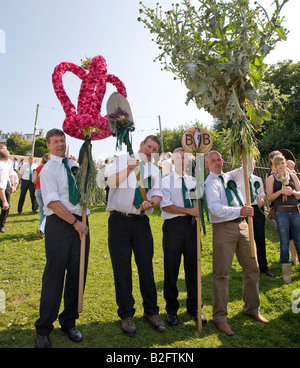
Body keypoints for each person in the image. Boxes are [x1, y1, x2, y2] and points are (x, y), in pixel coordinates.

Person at [34, 129, 89, 348]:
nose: (60, 144)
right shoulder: (48, 170)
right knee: (54, 275)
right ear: (48, 145)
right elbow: (53, 203)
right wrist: (74, 223)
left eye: (62, 140)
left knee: (77, 274)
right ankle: (44, 328)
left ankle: (69, 322)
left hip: (81, 223)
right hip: (61, 224)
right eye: (55, 141)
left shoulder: (75, 165)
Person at [204, 151, 269, 336]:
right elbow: (214, 209)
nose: (217, 163)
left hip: (243, 226)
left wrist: (244, 141)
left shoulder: (231, 176)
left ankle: (251, 308)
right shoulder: (210, 183)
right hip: (224, 228)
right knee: (222, 273)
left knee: (252, 268)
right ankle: (220, 317)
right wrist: (238, 210)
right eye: (213, 161)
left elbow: (246, 165)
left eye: (219, 159)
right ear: (207, 165)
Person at [106, 135, 165, 336]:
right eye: (149, 146)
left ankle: (151, 311)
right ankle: (126, 314)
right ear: (141, 145)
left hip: (141, 222)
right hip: (119, 221)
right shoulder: (122, 160)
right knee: (122, 268)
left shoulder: (155, 171)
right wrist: (129, 168)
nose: (151, 151)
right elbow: (110, 182)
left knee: (146, 267)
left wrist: (152, 202)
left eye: (155, 149)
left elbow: (157, 194)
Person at [161, 147, 206, 326]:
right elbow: (166, 206)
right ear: (173, 161)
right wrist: (189, 210)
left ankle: (195, 307)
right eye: (178, 158)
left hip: (191, 227)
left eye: (185, 158)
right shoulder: (166, 181)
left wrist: (199, 200)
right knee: (171, 269)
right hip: (173, 227)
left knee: (193, 268)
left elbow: (200, 205)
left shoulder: (194, 180)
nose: (182, 161)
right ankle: (172, 309)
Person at [266, 155, 300, 283]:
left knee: (298, 240)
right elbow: (269, 197)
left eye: (282, 163)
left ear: (285, 163)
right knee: (284, 242)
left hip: (295, 211)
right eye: (278, 164)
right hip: (281, 213)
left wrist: (292, 192)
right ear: (275, 165)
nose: (281, 165)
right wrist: (281, 192)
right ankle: (286, 270)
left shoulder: (293, 176)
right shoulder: (272, 178)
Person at [32, 153, 50, 238]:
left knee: (42, 212)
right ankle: (42, 228)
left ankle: (42, 229)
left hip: (38, 190)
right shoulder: (50, 167)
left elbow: (33, 180)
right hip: (46, 190)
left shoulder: (39, 168)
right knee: (47, 211)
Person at [0, 149, 10, 233]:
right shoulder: (3, 167)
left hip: (4, 187)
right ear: (7, 158)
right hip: (2, 190)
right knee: (5, 207)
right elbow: (1, 186)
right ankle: (0, 225)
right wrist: (4, 200)